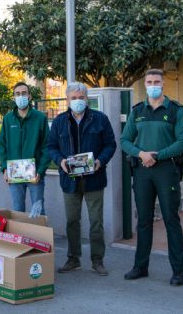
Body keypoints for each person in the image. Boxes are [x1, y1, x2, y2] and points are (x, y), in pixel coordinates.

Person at [121, 69, 183, 286]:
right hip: (142, 170)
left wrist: (158, 155)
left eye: (156, 81)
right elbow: (124, 140)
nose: (153, 85)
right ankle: (140, 267)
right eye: (149, 82)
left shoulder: (175, 110)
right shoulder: (138, 111)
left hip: (166, 170)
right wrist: (141, 154)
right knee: (143, 220)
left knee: (171, 219)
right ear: (145, 84)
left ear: (163, 84)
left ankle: (178, 271)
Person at [47, 82, 117, 276]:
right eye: (73, 98)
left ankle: (97, 260)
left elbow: (110, 145)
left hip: (94, 179)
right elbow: (51, 146)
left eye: (81, 97)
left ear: (87, 99)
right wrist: (60, 161)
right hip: (69, 180)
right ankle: (73, 258)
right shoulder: (60, 121)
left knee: (96, 222)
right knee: (72, 221)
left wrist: (100, 162)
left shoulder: (100, 119)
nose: (78, 101)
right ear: (67, 100)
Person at [0, 82, 50, 215]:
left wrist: (41, 170)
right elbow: (2, 145)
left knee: (38, 210)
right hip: (14, 172)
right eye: (17, 94)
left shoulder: (40, 118)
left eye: (24, 93)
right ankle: (20, 236)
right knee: (18, 211)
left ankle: (38, 236)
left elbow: (47, 145)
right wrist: (4, 168)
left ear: (29, 96)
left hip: (35, 173)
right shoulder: (8, 119)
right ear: (14, 97)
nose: (21, 96)